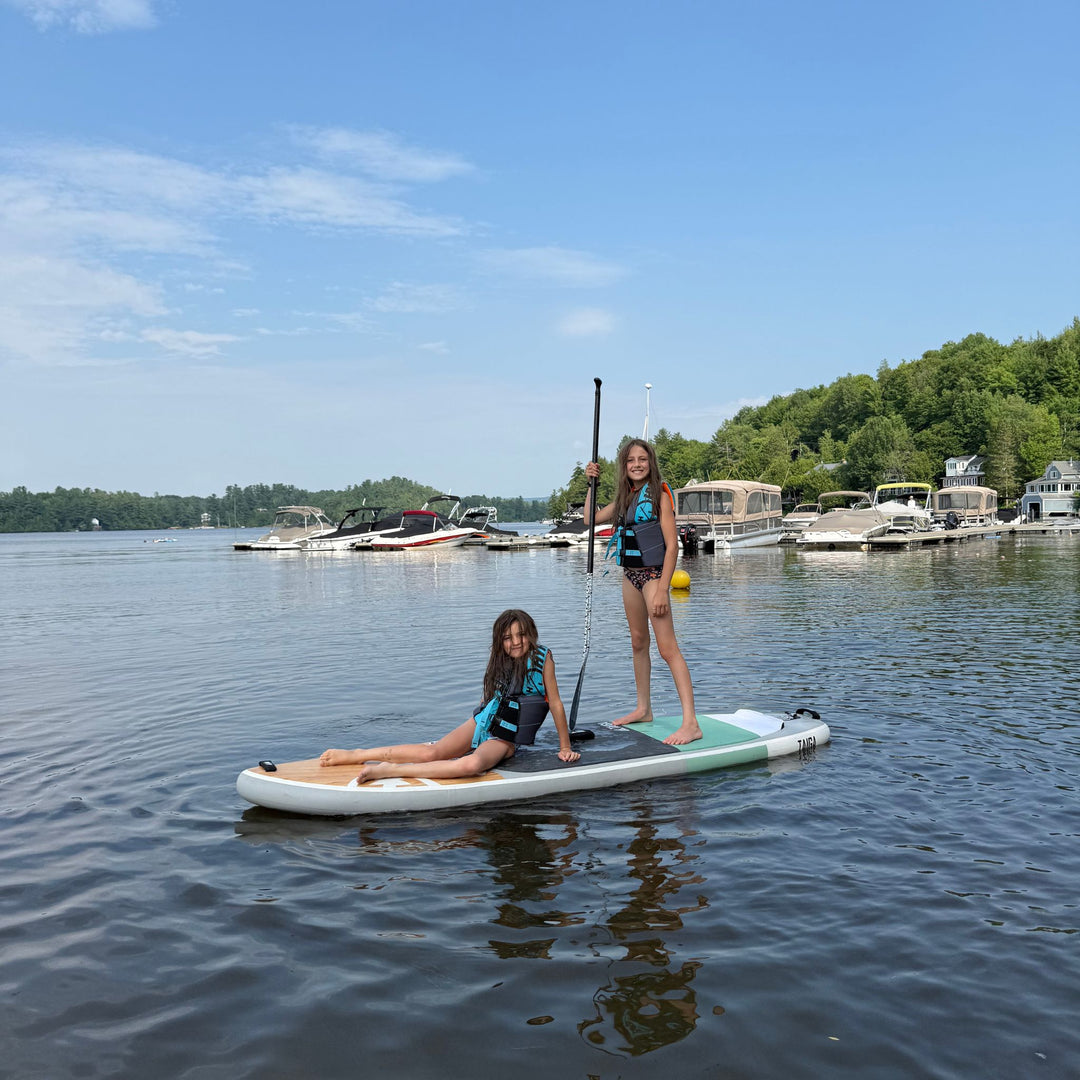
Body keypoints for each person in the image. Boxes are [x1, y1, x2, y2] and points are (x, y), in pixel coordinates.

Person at [320, 609, 580, 783]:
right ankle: (356, 754)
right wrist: (477, 731)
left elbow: (554, 702)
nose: (515, 642)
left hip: (506, 736)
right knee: (433, 752)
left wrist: (565, 746)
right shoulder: (500, 660)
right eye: (507, 637)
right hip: (487, 721)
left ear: (531, 633)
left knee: (470, 766)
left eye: (521, 635)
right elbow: (490, 699)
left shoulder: (542, 658)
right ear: (499, 641)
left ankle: (391, 771)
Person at [585, 439, 701, 745]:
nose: (637, 464)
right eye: (631, 460)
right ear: (624, 466)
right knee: (638, 642)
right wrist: (591, 484)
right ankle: (643, 708)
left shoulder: (659, 495)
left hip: (653, 577)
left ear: (651, 463)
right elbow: (588, 518)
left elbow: (673, 545)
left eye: (643, 459)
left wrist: (663, 589)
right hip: (630, 576)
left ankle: (691, 723)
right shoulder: (626, 498)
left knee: (667, 649)